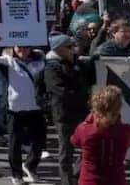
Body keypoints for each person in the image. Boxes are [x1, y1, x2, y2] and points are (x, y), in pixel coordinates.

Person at [41, 34, 96, 185]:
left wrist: (94, 61)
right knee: (67, 149)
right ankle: (66, 180)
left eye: (73, 46)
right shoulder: (51, 67)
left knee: (89, 145)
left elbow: (91, 79)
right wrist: (82, 94)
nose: (73, 49)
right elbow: (60, 91)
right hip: (64, 113)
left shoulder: (77, 63)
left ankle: (77, 173)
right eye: (69, 47)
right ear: (58, 49)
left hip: (82, 112)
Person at [0, 42, 47, 185]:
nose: (22, 50)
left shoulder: (40, 61)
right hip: (15, 109)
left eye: (26, 47)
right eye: (19, 47)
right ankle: (16, 174)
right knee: (15, 143)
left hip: (36, 108)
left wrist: (42, 53)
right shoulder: (8, 61)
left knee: (39, 142)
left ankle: (30, 166)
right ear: (13, 47)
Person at [71, 85, 130, 185]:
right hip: (116, 180)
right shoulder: (126, 130)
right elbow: (129, 143)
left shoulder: (83, 129)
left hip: (89, 181)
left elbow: (75, 141)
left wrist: (88, 121)